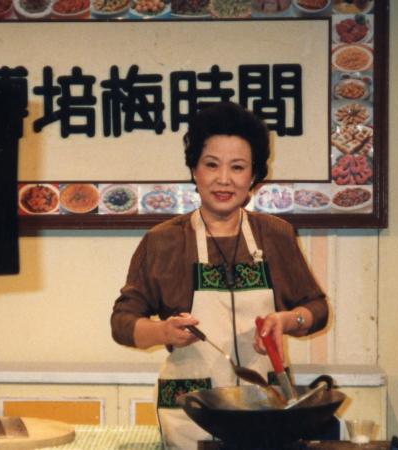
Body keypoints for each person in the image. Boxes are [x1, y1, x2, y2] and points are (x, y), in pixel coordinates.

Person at [110, 101, 329, 449]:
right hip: (191, 418)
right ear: (194, 170)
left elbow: (317, 308)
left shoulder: (276, 235)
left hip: (266, 411)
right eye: (211, 164)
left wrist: (288, 320)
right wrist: (161, 330)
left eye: (238, 167)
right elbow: (122, 323)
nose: (224, 179)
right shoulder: (163, 241)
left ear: (254, 175)